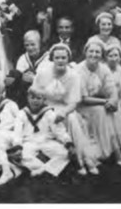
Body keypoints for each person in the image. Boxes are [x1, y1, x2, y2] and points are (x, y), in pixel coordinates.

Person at [30, 43, 100, 175]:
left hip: (65, 107)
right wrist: (43, 98)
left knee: (72, 118)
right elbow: (33, 90)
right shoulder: (43, 72)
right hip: (45, 108)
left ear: (68, 59)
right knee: (58, 118)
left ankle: (83, 158)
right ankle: (79, 161)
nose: (60, 61)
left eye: (63, 58)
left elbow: (74, 102)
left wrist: (64, 112)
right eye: (57, 58)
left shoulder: (73, 76)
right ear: (52, 58)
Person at [75, 40, 121, 166]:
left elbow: (112, 89)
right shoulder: (78, 71)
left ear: (102, 55)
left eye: (97, 52)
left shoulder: (103, 69)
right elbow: (83, 99)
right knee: (101, 111)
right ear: (85, 53)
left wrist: (113, 101)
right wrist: (105, 101)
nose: (94, 54)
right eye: (91, 51)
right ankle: (117, 154)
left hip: (98, 102)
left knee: (116, 108)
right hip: (81, 106)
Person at [14, 87, 73, 178]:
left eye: (38, 98)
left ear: (44, 100)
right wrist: (17, 147)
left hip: (46, 141)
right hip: (29, 142)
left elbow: (59, 131)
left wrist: (68, 142)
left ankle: (43, 169)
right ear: (28, 98)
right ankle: (42, 167)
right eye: (32, 98)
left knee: (64, 153)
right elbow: (17, 133)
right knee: (21, 156)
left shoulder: (49, 113)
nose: (35, 101)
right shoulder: (21, 113)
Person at [6, 30, 50, 108]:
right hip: (25, 91)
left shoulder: (48, 57)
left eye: (33, 44)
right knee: (13, 74)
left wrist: (34, 79)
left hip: (43, 90)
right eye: (27, 45)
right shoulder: (23, 58)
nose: (30, 48)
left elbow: (49, 79)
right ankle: (12, 105)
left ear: (39, 44)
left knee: (30, 73)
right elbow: (18, 76)